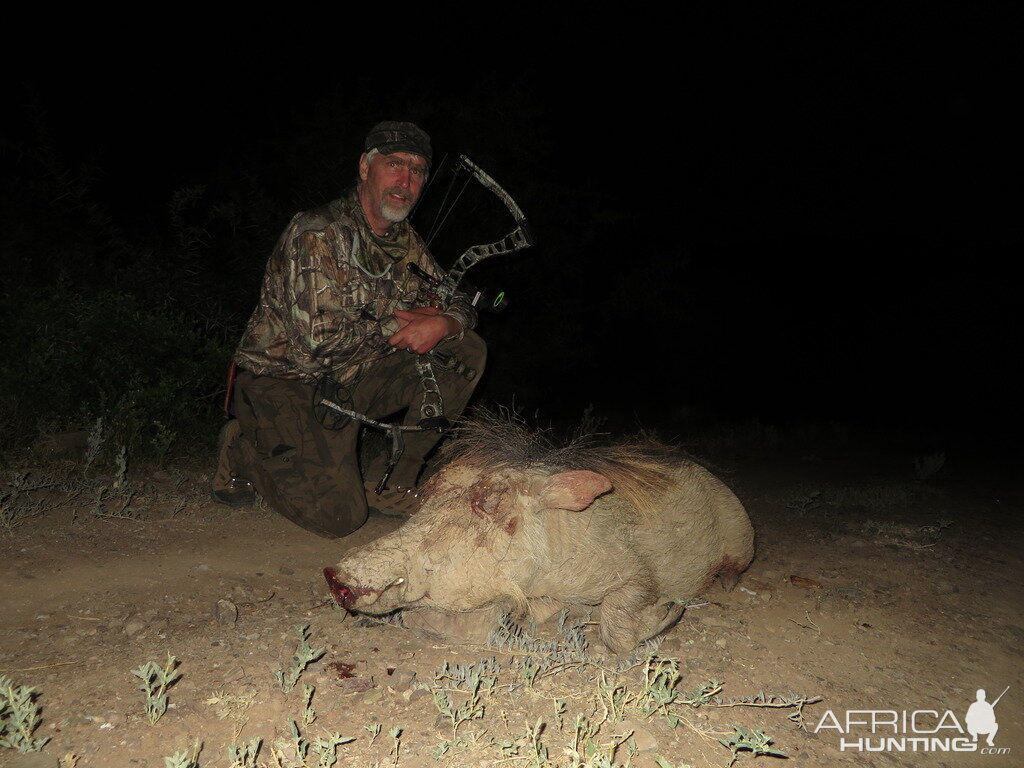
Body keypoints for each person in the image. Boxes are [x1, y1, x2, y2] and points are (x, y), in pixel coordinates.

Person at [212, 121, 485, 538]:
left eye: (417, 170)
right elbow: (316, 348)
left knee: (465, 350)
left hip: (349, 381)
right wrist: (401, 320)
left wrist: (445, 321)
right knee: (339, 518)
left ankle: (392, 482)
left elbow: (458, 298)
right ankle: (245, 447)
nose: (405, 180)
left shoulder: (403, 241)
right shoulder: (317, 233)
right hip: (285, 384)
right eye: (394, 164)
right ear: (365, 167)